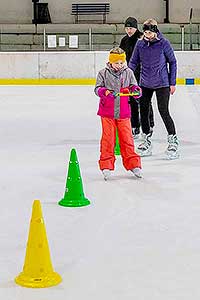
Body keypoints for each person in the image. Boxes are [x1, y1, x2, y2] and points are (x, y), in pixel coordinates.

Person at [129, 19, 179, 160]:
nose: (147, 35)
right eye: (145, 32)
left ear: (155, 31)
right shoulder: (140, 44)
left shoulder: (164, 43)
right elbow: (133, 62)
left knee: (163, 110)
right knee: (143, 110)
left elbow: (173, 62)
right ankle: (146, 139)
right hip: (144, 82)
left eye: (150, 32)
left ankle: (173, 140)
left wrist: (172, 82)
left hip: (162, 82)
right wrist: (127, 75)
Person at [94, 47, 142, 180]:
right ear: (110, 62)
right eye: (117, 63)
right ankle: (106, 165)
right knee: (108, 139)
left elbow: (134, 86)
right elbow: (97, 89)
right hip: (107, 112)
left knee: (127, 139)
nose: (119, 66)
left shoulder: (128, 72)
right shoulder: (103, 73)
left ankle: (133, 164)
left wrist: (136, 90)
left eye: (122, 63)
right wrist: (106, 93)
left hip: (124, 112)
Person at [120, 16, 154, 138]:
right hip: (130, 74)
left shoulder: (141, 39)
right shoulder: (124, 40)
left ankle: (149, 125)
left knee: (144, 100)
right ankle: (135, 126)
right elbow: (121, 57)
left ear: (136, 28)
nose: (129, 30)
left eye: (131, 28)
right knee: (131, 101)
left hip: (142, 74)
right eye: (127, 28)